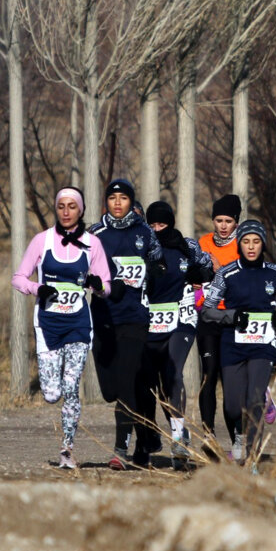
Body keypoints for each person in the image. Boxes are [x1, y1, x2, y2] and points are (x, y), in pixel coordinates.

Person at [11, 186, 111, 469]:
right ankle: (64, 439)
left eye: (72, 206)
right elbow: (17, 278)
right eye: (61, 206)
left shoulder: (93, 244)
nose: (66, 212)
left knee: (71, 387)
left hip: (79, 324)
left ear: (81, 210)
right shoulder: (41, 241)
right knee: (52, 393)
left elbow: (108, 287)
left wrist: (98, 287)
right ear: (56, 209)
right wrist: (37, 288)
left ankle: (67, 449)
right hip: (47, 325)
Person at [200, 219, 276, 467]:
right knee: (234, 406)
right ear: (239, 244)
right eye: (246, 241)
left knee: (254, 400)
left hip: (263, 345)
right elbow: (207, 310)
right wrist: (231, 316)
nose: (251, 247)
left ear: (263, 244)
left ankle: (253, 457)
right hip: (232, 344)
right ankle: (238, 435)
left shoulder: (274, 273)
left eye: (256, 241)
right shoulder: (227, 273)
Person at [89, 178, 165, 469]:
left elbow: (159, 264)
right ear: (106, 202)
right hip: (103, 317)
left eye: (123, 198)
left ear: (132, 203)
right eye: (112, 198)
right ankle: (146, 430)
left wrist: (150, 271)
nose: (117, 203)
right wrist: (97, 282)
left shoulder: (144, 232)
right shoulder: (95, 234)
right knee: (110, 390)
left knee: (125, 383)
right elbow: (81, 269)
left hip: (135, 318)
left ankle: (121, 448)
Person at [143, 200, 213, 469]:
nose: (157, 229)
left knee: (173, 372)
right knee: (159, 384)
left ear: (170, 223)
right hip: (153, 319)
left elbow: (209, 269)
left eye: (162, 224)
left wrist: (200, 273)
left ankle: (178, 439)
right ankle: (179, 432)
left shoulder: (188, 245)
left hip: (182, 317)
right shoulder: (144, 247)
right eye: (152, 224)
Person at [197, 194, 242, 453]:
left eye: (228, 221)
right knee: (208, 374)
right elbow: (194, 273)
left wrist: (219, 271)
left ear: (236, 222)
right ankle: (209, 436)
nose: (223, 225)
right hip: (208, 317)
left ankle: (238, 437)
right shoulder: (203, 243)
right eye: (218, 220)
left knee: (230, 381)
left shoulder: (243, 245)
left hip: (233, 320)